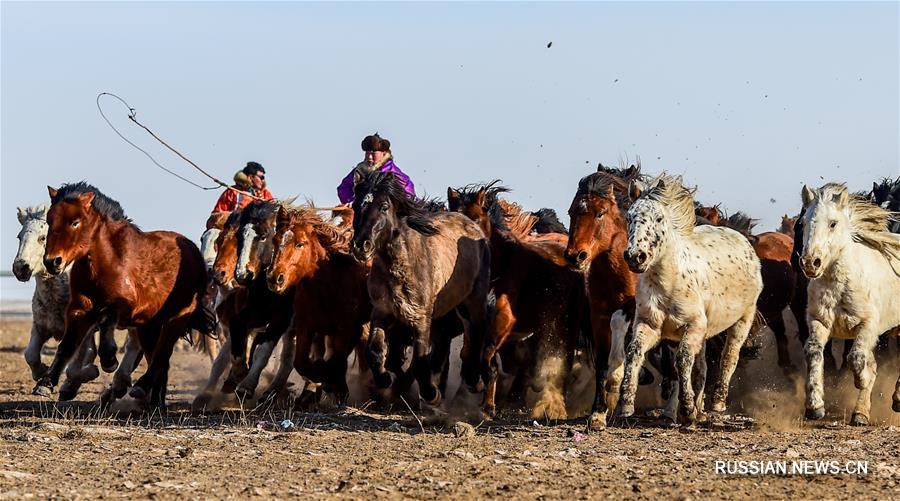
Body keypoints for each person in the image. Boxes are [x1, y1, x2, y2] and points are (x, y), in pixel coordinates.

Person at [337, 133, 415, 204]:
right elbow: (343, 188)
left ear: (384, 153)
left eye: (374, 153)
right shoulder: (359, 171)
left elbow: (408, 192)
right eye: (367, 153)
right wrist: (354, 201)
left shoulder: (391, 172)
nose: (369, 157)